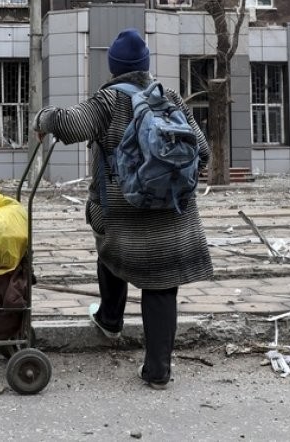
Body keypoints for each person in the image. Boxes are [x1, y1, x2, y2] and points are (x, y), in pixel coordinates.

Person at [34, 28, 213, 389]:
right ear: (145, 65)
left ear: (113, 67)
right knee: (161, 285)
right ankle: (158, 371)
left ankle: (110, 320)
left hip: (124, 217)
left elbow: (69, 124)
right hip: (174, 215)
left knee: (109, 249)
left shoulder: (109, 100)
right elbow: (203, 151)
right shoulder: (169, 98)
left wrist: (43, 118)